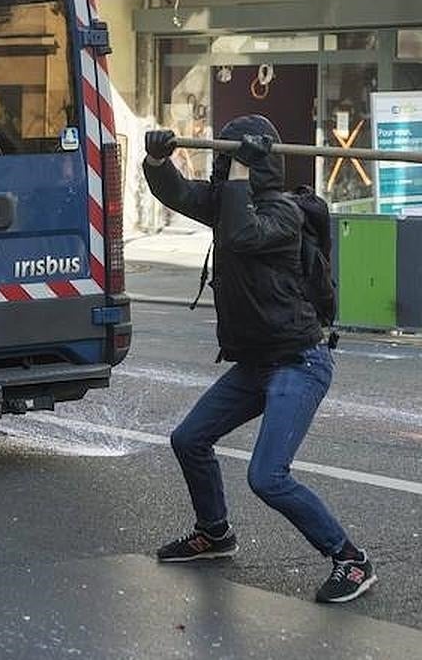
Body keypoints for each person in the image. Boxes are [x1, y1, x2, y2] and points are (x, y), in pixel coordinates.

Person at [143, 115, 376, 604]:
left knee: (267, 477)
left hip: (299, 360)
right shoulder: (228, 202)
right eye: (225, 160)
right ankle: (214, 532)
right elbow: (181, 194)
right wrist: (158, 160)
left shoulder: (283, 213)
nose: (226, 169)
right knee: (189, 439)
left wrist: (243, 174)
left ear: (258, 162)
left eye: (234, 159)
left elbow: (241, 236)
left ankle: (351, 561)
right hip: (255, 363)